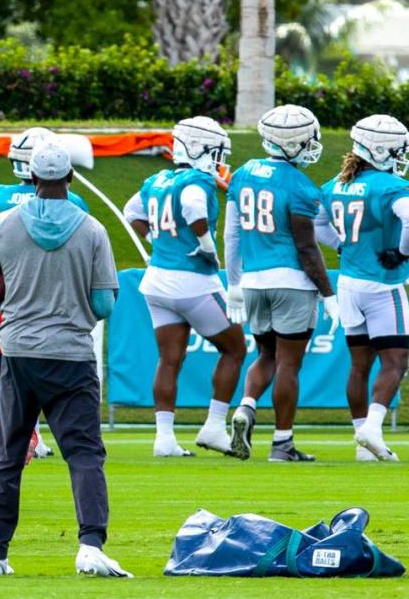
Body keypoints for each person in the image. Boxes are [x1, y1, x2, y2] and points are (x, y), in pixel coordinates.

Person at [0, 142, 131, 578]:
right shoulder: (92, 230)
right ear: (69, 179)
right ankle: (90, 544)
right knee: (85, 454)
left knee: (9, 456)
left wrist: (5, 282)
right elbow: (105, 305)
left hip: (17, 350)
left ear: (30, 179)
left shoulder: (6, 224)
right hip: (71, 354)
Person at [123, 117, 247, 457]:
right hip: (192, 281)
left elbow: (130, 211)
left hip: (157, 282)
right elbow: (193, 206)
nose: (220, 161)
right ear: (201, 149)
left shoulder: (158, 179)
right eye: (217, 153)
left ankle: (164, 438)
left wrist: (156, 242)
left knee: (169, 359)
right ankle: (214, 426)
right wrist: (206, 244)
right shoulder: (196, 180)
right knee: (235, 349)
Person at [225, 104, 340, 462]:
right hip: (291, 282)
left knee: (266, 355)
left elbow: (231, 234)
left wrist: (234, 282)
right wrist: (328, 293)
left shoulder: (243, 173)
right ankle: (282, 444)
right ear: (293, 143)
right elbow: (307, 248)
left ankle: (245, 407)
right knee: (289, 364)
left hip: (254, 280)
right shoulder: (301, 186)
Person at [0, 126, 89, 459]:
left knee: (18, 376)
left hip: (12, 297)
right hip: (63, 299)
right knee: (64, 376)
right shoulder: (73, 201)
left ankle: (26, 433)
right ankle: (48, 433)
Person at [316, 114, 409, 461]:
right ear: (381, 149)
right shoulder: (389, 186)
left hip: (349, 283)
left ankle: (363, 443)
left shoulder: (334, 185)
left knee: (359, 365)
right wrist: (401, 252)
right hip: (383, 285)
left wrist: (341, 246)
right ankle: (371, 428)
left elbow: (316, 224)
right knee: (396, 361)